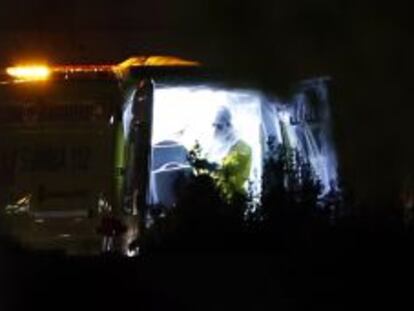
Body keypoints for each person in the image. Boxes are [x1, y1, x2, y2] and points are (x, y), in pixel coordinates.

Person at [207, 106, 252, 201]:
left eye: (219, 126)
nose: (215, 131)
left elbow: (230, 171)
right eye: (214, 126)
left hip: (234, 200)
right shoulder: (214, 146)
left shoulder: (243, 148)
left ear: (229, 125)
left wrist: (209, 166)